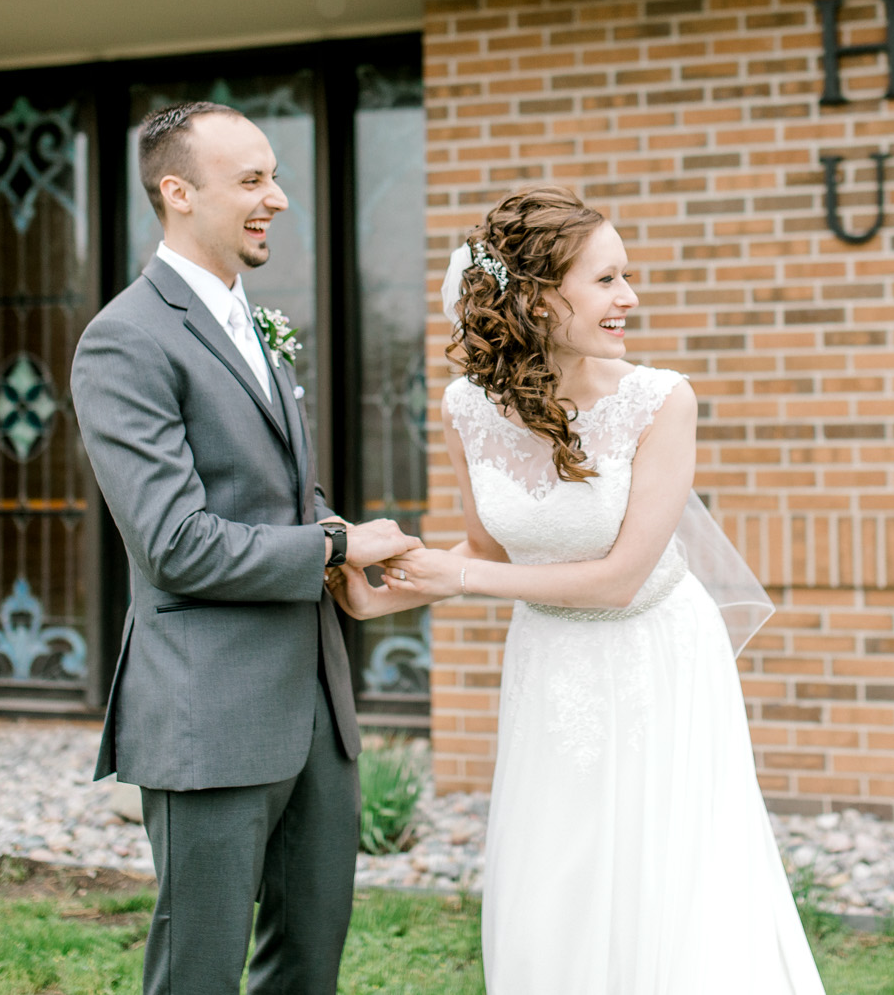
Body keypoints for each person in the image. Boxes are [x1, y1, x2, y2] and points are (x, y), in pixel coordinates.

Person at [336, 184, 826, 994]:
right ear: (533, 294)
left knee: (664, 876)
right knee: (555, 868)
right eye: (606, 280)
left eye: (625, 277)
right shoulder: (468, 406)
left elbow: (620, 575)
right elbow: (491, 548)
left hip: (655, 653)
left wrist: (457, 573)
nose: (629, 297)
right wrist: (379, 593)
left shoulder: (659, 400)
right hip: (548, 658)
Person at [71, 101, 419, 995]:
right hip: (209, 712)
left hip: (313, 705)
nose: (281, 199)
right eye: (254, 180)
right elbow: (176, 543)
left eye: (276, 176)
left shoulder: (249, 320)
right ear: (178, 191)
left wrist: (339, 535)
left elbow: (271, 495)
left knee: (308, 962)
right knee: (199, 973)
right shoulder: (126, 339)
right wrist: (334, 548)